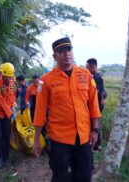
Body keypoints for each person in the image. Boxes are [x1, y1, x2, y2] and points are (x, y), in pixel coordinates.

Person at [33, 37, 101, 182]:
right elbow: (39, 112)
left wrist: (95, 130)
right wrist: (37, 139)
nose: (66, 53)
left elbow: (93, 106)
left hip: (83, 138)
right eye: (61, 51)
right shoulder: (46, 80)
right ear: (54, 56)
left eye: (68, 49)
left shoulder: (85, 75)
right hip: (59, 140)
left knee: (84, 176)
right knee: (60, 177)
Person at [86, 58, 107, 151]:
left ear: (93, 67)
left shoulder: (96, 78)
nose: (87, 70)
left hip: (97, 105)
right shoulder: (98, 76)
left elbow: (95, 93)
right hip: (99, 103)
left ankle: (96, 145)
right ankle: (96, 145)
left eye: (87, 68)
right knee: (96, 124)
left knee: (95, 124)